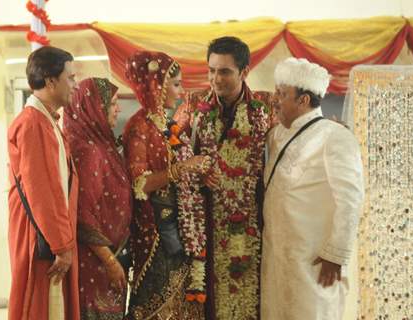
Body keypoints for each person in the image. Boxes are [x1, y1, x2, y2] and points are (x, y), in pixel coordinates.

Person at [261, 57, 364, 319]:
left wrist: (336, 254)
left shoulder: (335, 136)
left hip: (316, 261)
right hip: (278, 258)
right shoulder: (276, 135)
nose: (275, 100)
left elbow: (351, 198)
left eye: (282, 94)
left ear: (303, 100)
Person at [190, 36, 274, 319]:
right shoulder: (193, 107)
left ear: (244, 72)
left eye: (224, 71)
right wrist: (198, 174)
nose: (215, 78)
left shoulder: (265, 108)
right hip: (207, 222)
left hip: (252, 221)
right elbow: (177, 162)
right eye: (211, 70)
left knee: (249, 293)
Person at [122, 50, 209, 319]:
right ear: (155, 87)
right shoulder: (139, 127)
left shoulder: (164, 123)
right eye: (175, 84)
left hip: (180, 227)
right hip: (157, 233)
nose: (180, 91)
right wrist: (182, 168)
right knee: (156, 303)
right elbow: (140, 182)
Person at [7, 46, 80, 320]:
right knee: (43, 308)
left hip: (50, 236)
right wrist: (62, 247)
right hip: (42, 241)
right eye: (70, 78)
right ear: (51, 81)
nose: (74, 85)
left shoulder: (45, 121)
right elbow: (42, 191)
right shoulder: (33, 123)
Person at [63, 78, 132, 319]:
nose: (118, 108)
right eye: (112, 103)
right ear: (94, 108)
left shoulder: (102, 145)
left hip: (106, 258)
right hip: (95, 263)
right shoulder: (88, 151)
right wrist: (111, 262)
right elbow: (83, 214)